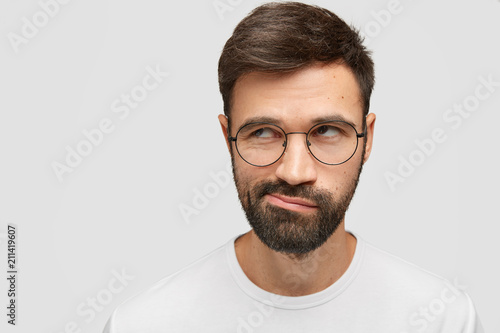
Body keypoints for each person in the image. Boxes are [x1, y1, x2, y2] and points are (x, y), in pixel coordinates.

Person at [103, 2, 483, 332]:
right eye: (264, 132)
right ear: (228, 138)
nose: (295, 171)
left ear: (366, 140)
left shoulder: (442, 321)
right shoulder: (144, 325)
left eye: (327, 131)